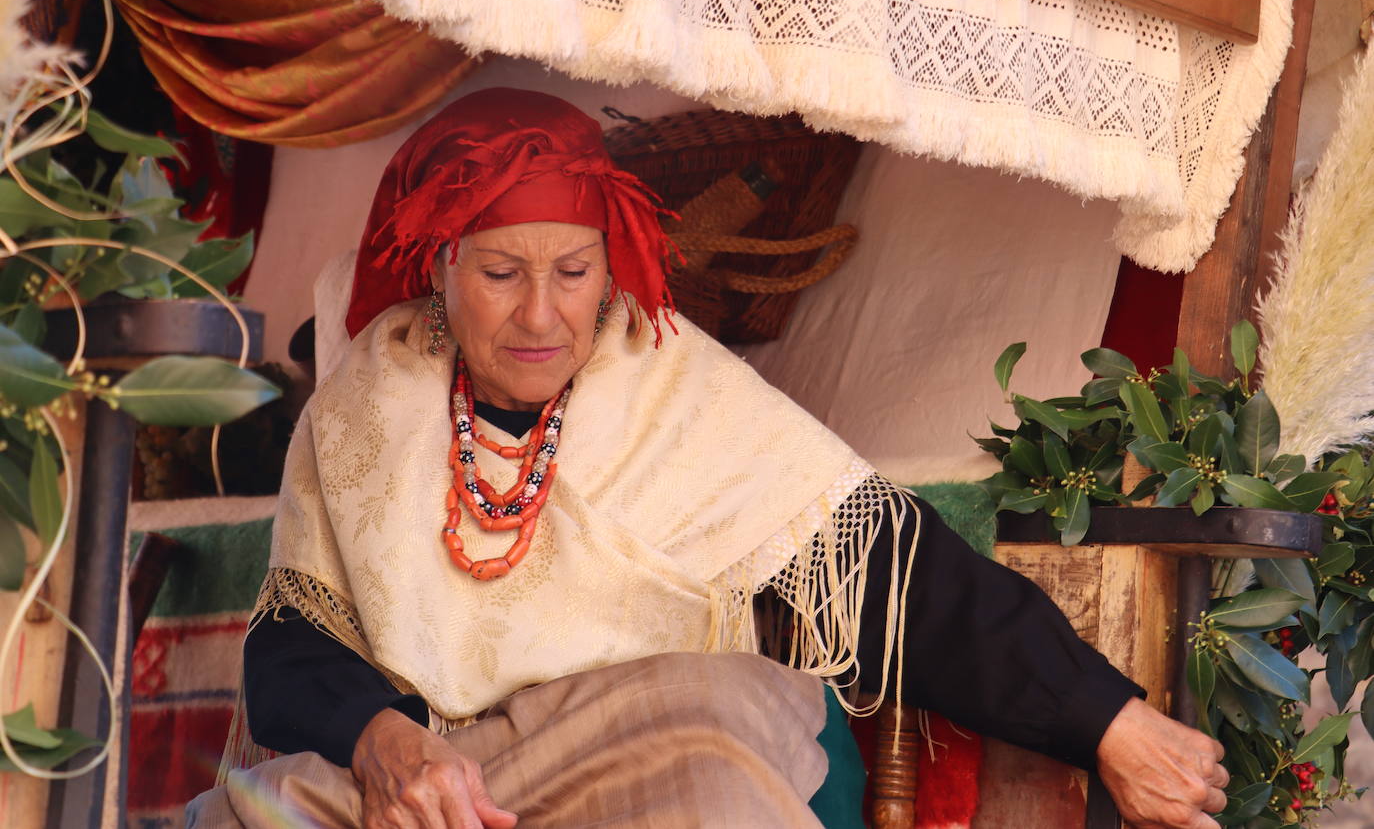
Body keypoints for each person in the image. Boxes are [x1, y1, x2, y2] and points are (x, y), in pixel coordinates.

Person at [189, 88, 1227, 829]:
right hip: (427, 788)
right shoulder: (373, 396)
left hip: (646, 754)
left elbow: (893, 577)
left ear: (611, 269)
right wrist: (383, 741)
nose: (543, 313)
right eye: (502, 272)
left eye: (574, 270)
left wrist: (1109, 721)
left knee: (713, 740)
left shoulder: (672, 385)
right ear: (442, 265)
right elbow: (293, 651)